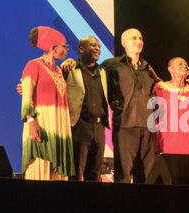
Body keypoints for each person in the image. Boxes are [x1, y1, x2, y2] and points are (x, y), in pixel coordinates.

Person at [100, 28, 160, 183]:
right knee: (124, 174)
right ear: (123, 42)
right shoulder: (111, 65)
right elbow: (93, 79)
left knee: (148, 174)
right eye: (134, 38)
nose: (139, 41)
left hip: (147, 127)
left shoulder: (148, 68)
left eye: (140, 38)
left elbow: (161, 89)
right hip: (125, 125)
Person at [20, 26, 74, 180]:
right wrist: (31, 122)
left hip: (59, 128)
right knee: (39, 174)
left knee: (57, 180)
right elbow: (27, 97)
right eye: (64, 46)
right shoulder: (33, 65)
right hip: (41, 127)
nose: (67, 49)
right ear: (53, 48)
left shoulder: (59, 71)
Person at [65, 36, 110, 182]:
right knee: (76, 173)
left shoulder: (103, 72)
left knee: (94, 173)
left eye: (99, 46)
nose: (98, 49)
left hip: (99, 128)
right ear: (81, 49)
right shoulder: (70, 70)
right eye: (93, 46)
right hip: (79, 126)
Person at [150, 57, 189, 154]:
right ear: (170, 69)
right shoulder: (159, 88)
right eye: (180, 64)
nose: (184, 65)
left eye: (186, 64)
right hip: (168, 141)